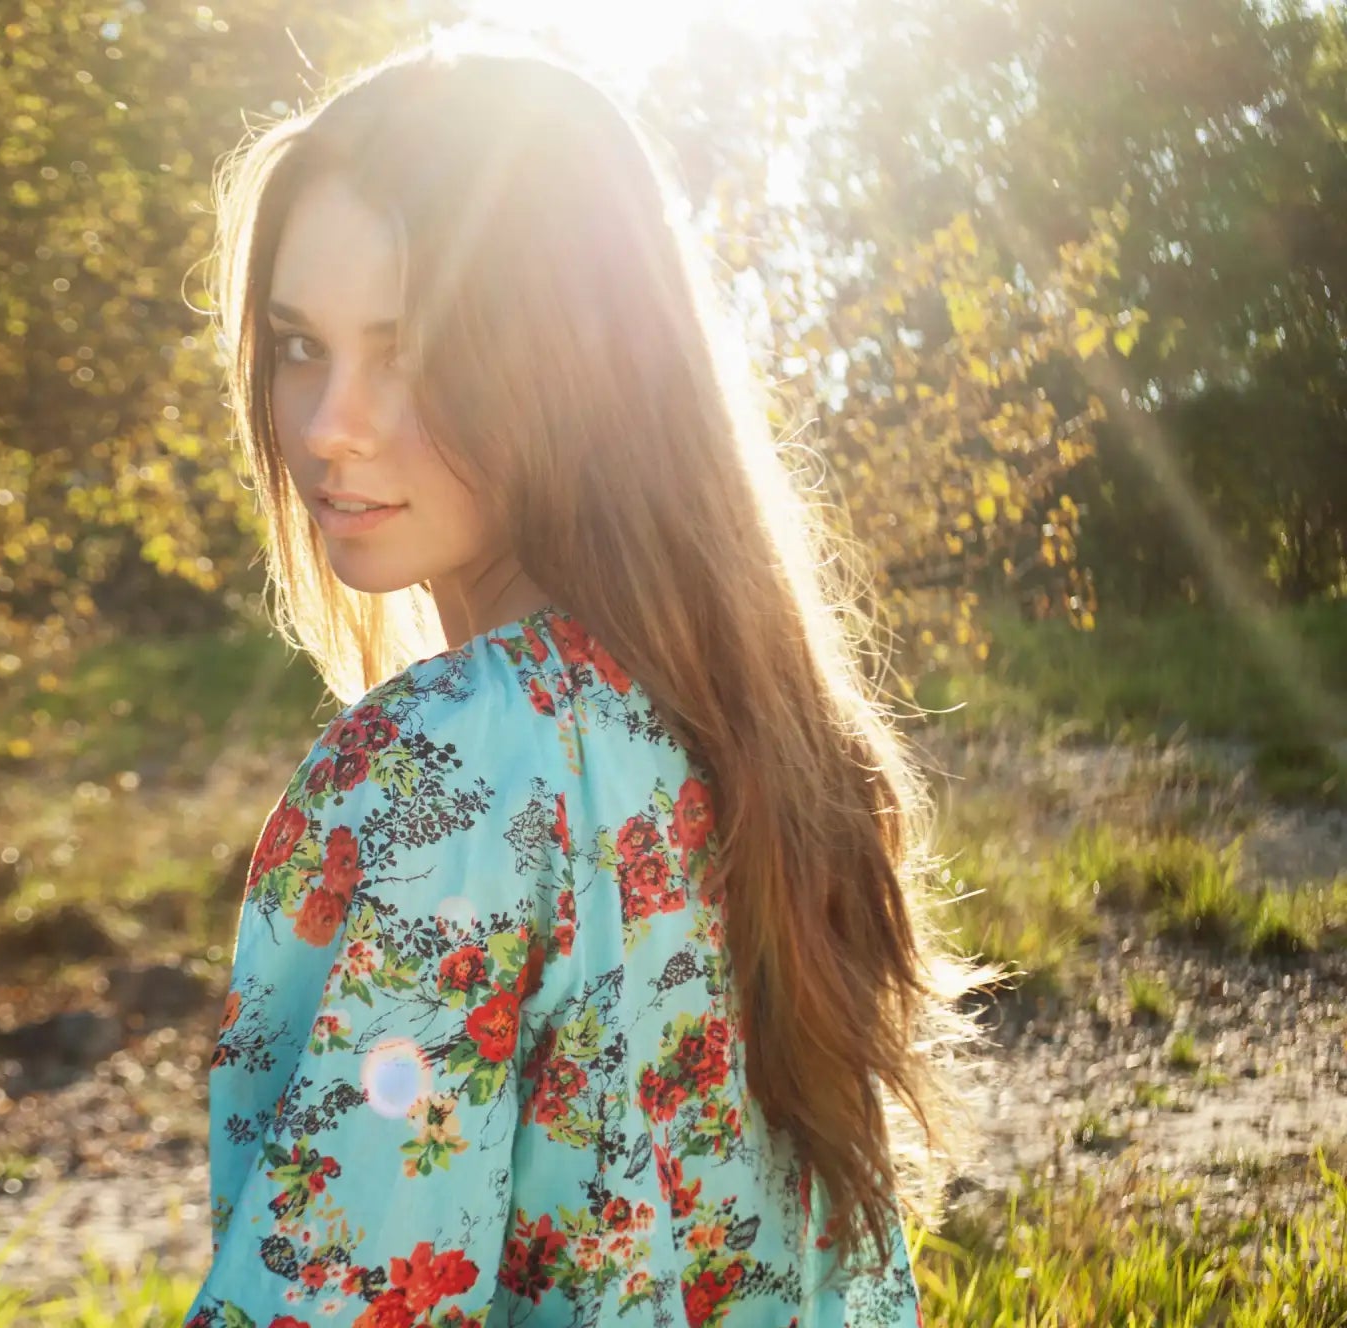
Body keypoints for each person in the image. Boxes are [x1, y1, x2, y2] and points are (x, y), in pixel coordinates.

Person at [183, 32, 986, 1328]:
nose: (329, 424)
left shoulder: (440, 774)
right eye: (297, 345)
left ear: (573, 357)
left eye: (409, 348)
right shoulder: (761, 729)